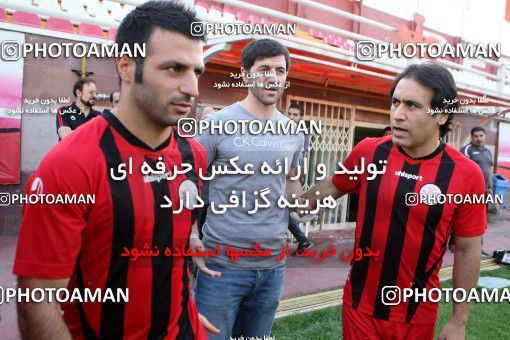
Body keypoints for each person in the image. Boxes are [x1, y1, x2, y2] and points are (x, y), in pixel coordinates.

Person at [14, 2, 218, 339]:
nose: (192, 89)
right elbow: (37, 301)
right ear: (126, 66)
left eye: (196, 71)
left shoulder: (192, 154)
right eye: (174, 69)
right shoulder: (70, 164)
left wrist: (185, 315)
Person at [299, 63, 486, 340]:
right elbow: (322, 193)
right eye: (395, 102)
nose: (398, 114)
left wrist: (459, 321)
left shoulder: (467, 174)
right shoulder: (368, 152)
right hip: (359, 306)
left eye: (412, 105)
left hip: (417, 314)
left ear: (442, 115)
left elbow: (468, 250)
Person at [193, 39, 304, 339]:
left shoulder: (294, 133)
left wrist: (308, 200)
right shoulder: (217, 124)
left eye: (279, 70)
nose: (272, 77)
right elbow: (189, 182)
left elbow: (292, 186)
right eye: (264, 69)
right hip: (221, 268)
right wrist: (190, 235)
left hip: (273, 268)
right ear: (245, 74)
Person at [455, 126, 494, 255]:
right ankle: (471, 247)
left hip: (485, 193)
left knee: (481, 222)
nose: (478, 138)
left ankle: (473, 247)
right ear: (472, 137)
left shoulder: (488, 151)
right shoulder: (467, 150)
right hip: (471, 193)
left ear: (485, 136)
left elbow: (489, 171)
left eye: (481, 136)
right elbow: (460, 171)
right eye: (476, 136)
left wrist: (490, 187)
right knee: (472, 223)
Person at [285, 102, 314, 255]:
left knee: (283, 210)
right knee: (282, 210)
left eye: (295, 115)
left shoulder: (301, 135)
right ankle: (303, 240)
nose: (291, 117)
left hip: (291, 179)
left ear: (301, 118)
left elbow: (300, 161)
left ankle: (303, 240)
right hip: (284, 178)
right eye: (289, 113)